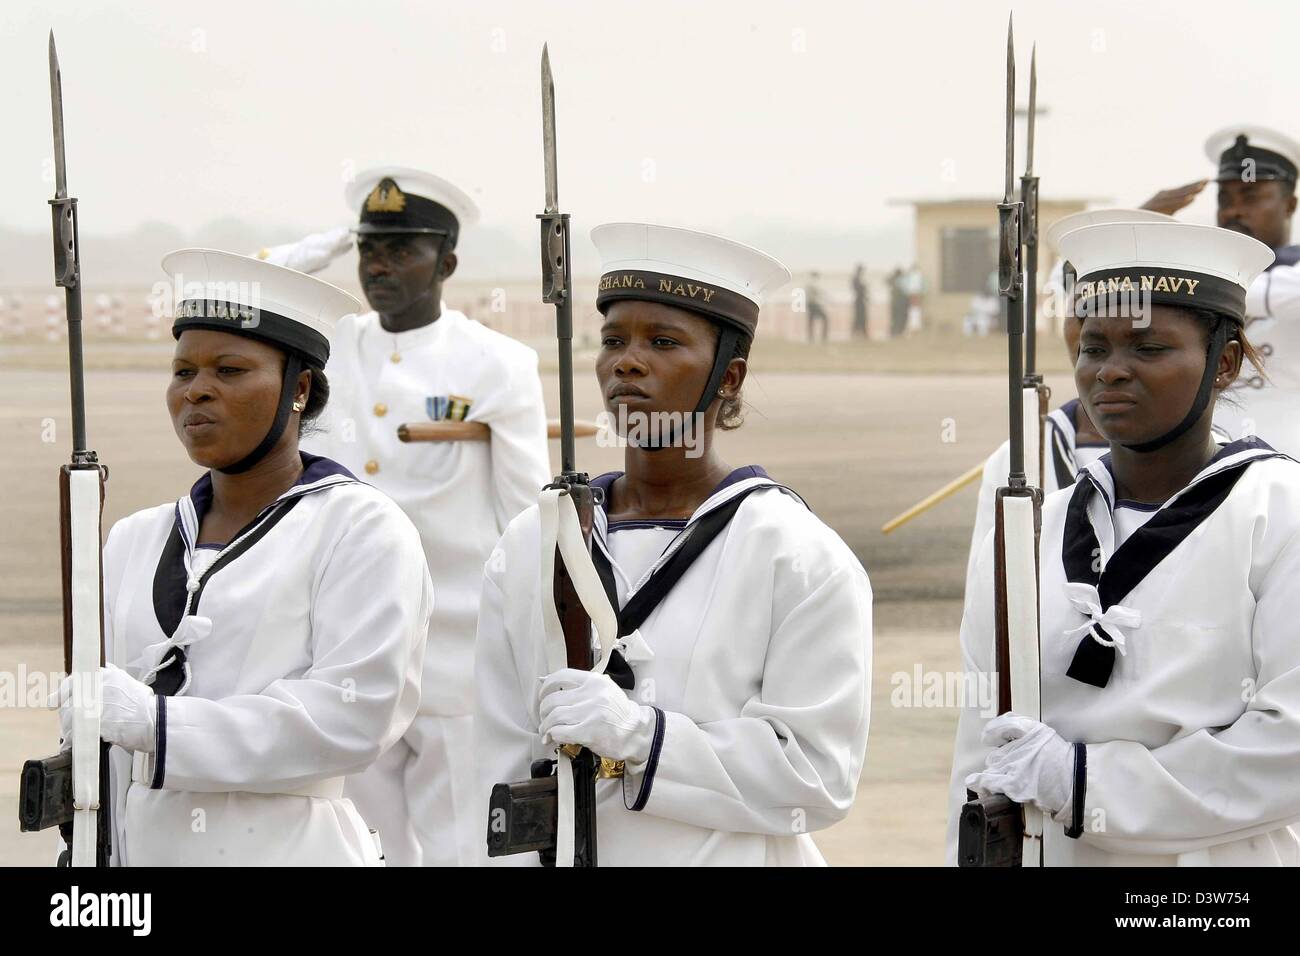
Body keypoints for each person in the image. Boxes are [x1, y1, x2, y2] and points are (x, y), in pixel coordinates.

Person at [475, 222, 872, 866]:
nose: (626, 362)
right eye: (612, 341)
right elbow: (494, 759)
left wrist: (642, 738)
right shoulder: (535, 542)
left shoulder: (796, 553)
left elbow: (818, 778)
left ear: (730, 376)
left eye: (663, 342)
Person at [55, 249, 431, 865]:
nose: (197, 390)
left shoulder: (361, 528)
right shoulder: (133, 537)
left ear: (299, 389)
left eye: (229, 370)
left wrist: (159, 726)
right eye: (183, 372)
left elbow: (353, 716)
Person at [948, 220, 1300, 865]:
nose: (1110, 373)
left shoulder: (1280, 512)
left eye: (1148, 349)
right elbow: (981, 743)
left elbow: (1290, 743)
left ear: (1223, 364)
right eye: (1093, 347)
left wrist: (1083, 782)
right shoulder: (1035, 528)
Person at [298, 167, 552, 866]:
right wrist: (309, 252)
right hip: (348, 651)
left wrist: (531, 653)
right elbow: (237, 297)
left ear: (447, 262)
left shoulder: (496, 364)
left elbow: (527, 517)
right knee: (352, 846)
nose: (379, 265)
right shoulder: (328, 350)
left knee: (462, 848)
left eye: (402, 249)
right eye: (369, 248)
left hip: (456, 659)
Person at [964, 209, 1176, 590]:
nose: (1097, 338)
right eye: (1082, 314)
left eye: (1136, 330)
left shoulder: (1244, 481)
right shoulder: (1019, 459)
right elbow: (991, 612)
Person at [1141, 127, 1300, 453]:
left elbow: (1244, 291)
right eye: (1224, 199)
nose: (1233, 211)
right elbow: (1075, 287)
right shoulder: (1199, 271)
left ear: (1290, 205)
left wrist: (1153, 252)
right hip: (1208, 458)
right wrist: (1135, 223)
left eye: (1251, 197)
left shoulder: (1203, 275)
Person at [806, 271, 829, 343]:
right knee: (825, 318)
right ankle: (823, 337)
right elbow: (819, 293)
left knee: (811, 321)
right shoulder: (813, 283)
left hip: (810, 304)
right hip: (814, 304)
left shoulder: (809, 283)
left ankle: (811, 337)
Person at [851, 263, 869, 339]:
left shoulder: (859, 278)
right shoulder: (856, 279)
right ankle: (857, 332)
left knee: (862, 317)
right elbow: (857, 289)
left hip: (861, 300)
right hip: (859, 300)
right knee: (859, 317)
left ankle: (862, 332)